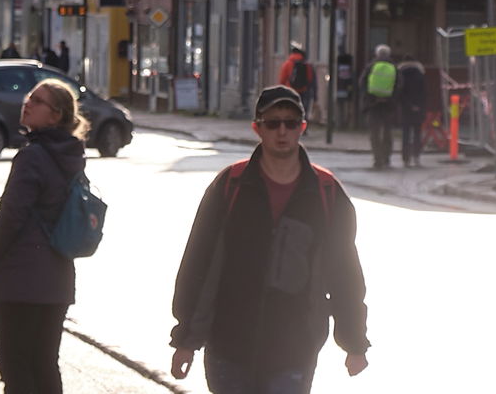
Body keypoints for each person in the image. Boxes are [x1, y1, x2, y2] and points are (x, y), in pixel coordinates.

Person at [170, 85, 369, 392]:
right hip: (228, 349)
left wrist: (354, 341)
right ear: (257, 128)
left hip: (293, 352)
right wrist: (186, 340)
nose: (282, 131)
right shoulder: (230, 185)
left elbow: (344, 274)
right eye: (272, 122)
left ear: (302, 128)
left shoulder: (325, 192)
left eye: (291, 123)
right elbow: (198, 264)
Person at [0, 78, 88, 394]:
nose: (27, 102)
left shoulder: (33, 156)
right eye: (29, 96)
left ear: (55, 115)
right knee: (44, 363)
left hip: (19, 279)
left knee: (14, 365)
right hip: (56, 278)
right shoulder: (72, 154)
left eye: (37, 101)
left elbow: (11, 214)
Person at [359, 46, 397, 169]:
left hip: (372, 104)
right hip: (388, 105)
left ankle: (377, 159)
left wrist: (370, 98)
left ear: (376, 54)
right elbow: (399, 85)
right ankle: (386, 158)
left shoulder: (371, 66)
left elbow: (362, 83)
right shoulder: (394, 67)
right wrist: (390, 98)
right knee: (387, 132)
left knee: (374, 133)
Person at [395, 55, 427, 168]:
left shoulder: (400, 74)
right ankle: (416, 157)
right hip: (418, 108)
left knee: (405, 134)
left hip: (405, 109)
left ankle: (406, 159)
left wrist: (408, 105)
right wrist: (418, 105)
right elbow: (424, 92)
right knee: (417, 134)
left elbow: (399, 93)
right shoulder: (420, 74)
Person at [278, 43, 316, 127]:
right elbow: (310, 79)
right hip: (303, 90)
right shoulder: (306, 64)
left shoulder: (287, 63)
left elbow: (282, 79)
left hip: (290, 90)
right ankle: (302, 127)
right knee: (302, 109)